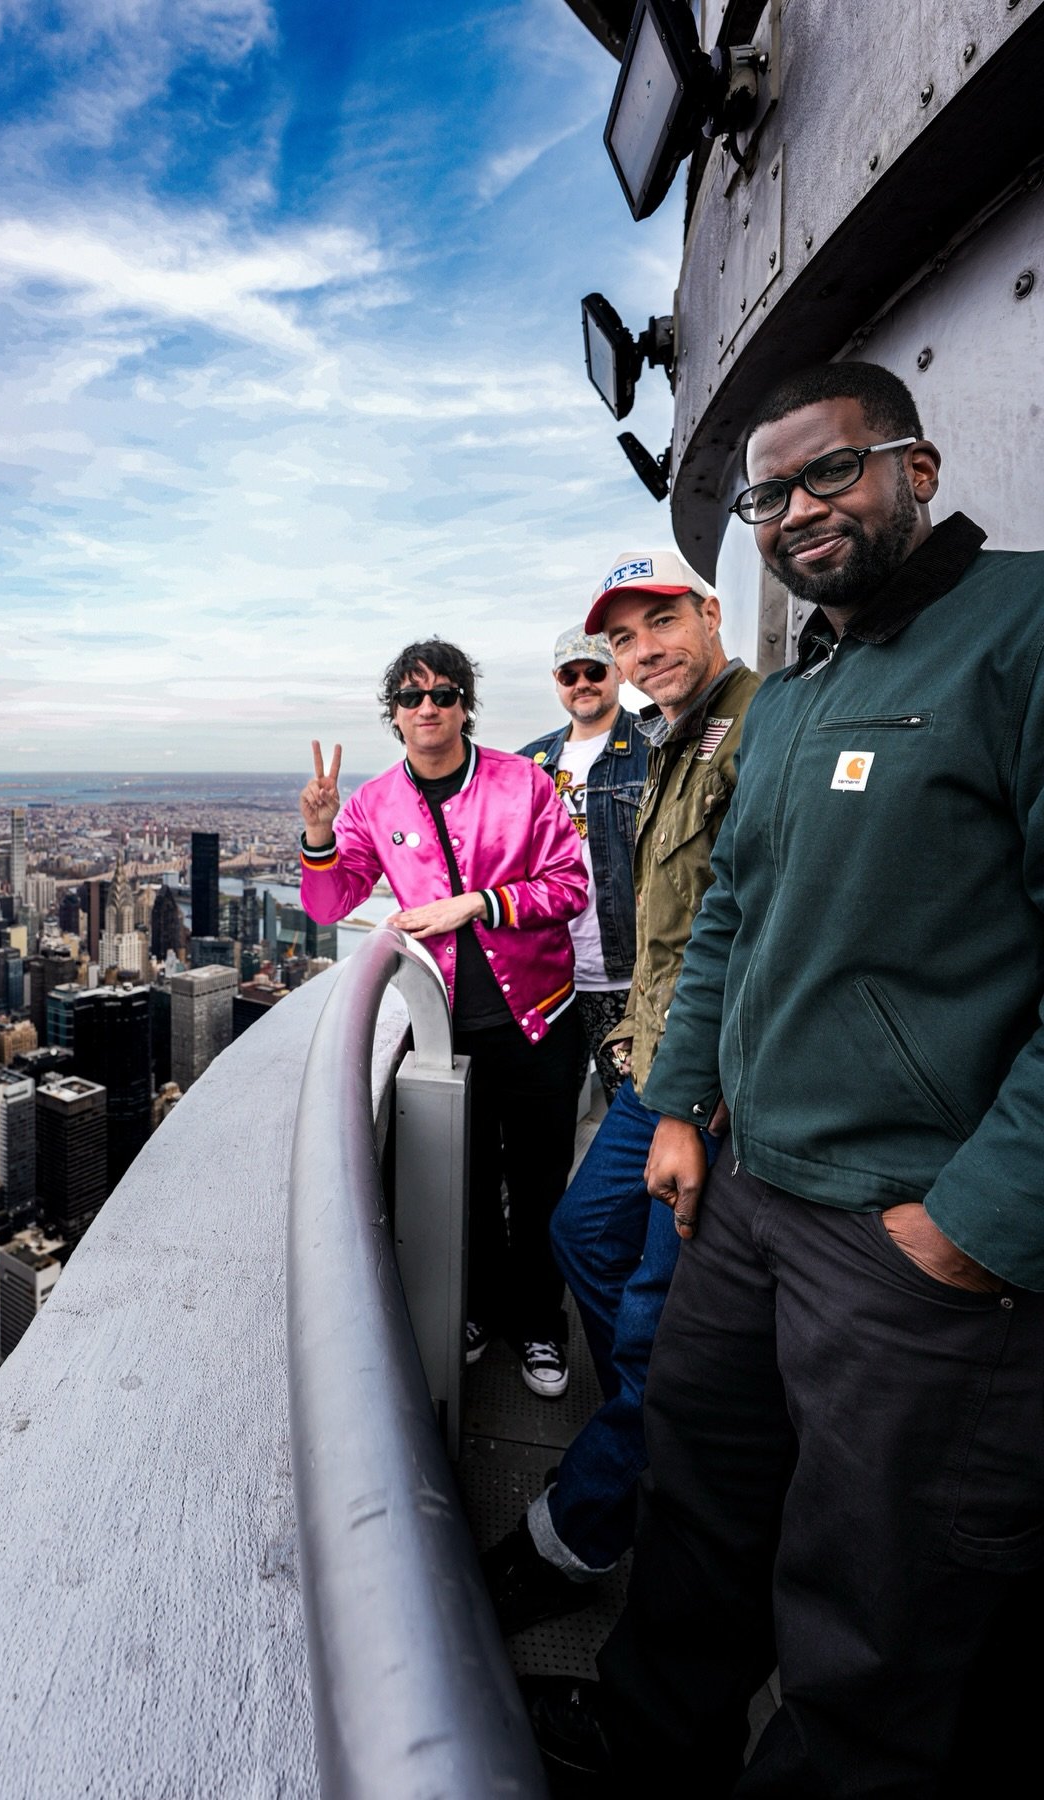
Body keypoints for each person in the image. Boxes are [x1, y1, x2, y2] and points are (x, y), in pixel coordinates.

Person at [530, 360, 1044, 1794]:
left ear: (918, 468)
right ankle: (650, 1753)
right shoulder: (810, 689)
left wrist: (977, 1223)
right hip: (750, 1196)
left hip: (910, 1237)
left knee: (875, 1607)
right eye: (770, 493)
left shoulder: (1023, 635)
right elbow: (732, 921)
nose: (801, 510)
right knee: (700, 1506)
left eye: (835, 472)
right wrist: (685, 1107)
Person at [483, 551, 759, 1626]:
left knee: (654, 1317)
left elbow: (736, 922)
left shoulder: (752, 729)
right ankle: (647, 1416)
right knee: (583, 1236)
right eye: (618, 642)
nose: (636, 657)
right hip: (649, 1044)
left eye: (659, 628)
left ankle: (594, 1507)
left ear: (710, 614)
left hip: (705, 1078)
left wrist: (688, 1092)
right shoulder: (657, 743)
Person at [299, 639, 587, 1397]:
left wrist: (482, 903)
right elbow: (330, 902)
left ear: (466, 705)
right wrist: (322, 837)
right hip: (444, 1032)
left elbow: (570, 886)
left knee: (538, 1185)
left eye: (445, 693)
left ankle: (541, 1327)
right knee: (467, 1184)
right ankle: (482, 1310)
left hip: (539, 1022)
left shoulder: (523, 783)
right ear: (393, 713)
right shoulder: (373, 804)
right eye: (411, 695)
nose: (428, 707)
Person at [517, 627, 648, 1111]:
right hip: (552, 978)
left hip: (628, 978)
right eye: (569, 675)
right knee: (544, 1113)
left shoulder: (653, 748)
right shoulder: (528, 764)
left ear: (616, 674)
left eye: (594, 671)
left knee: (633, 1114)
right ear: (557, 682)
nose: (582, 683)